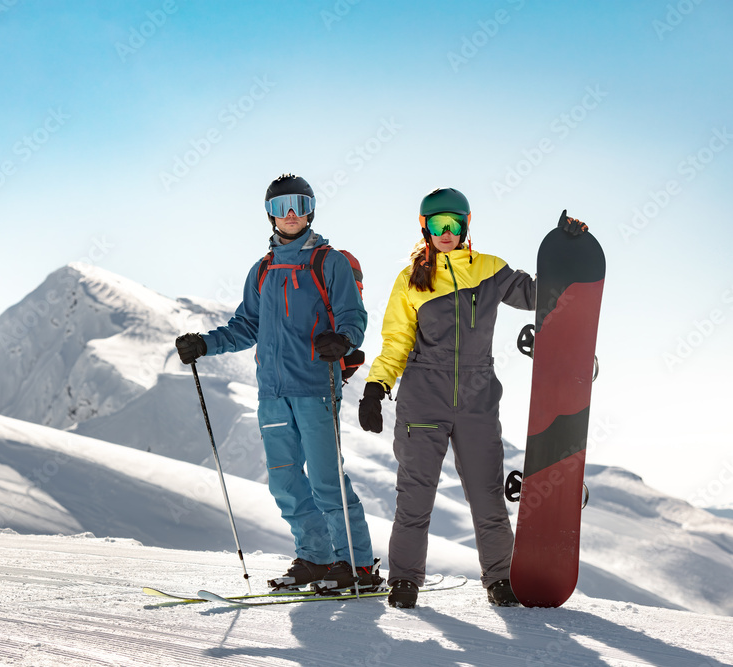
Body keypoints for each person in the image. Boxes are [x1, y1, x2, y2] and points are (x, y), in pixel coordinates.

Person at [358, 187, 589, 608]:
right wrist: (376, 387)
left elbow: (540, 297)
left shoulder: (490, 269)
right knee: (415, 495)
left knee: (486, 495)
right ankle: (404, 580)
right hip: (423, 395)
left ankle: (501, 579)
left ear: (466, 226)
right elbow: (396, 341)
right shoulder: (411, 280)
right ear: (424, 229)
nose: (445, 233)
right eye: (436, 225)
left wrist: (569, 252)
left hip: (478, 397)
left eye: (453, 224)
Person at [175, 173, 382, 592]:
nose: (290, 214)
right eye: (281, 205)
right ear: (269, 214)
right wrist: (205, 344)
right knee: (284, 480)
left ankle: (357, 565)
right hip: (271, 393)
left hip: (315, 386)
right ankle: (317, 558)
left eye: (299, 205)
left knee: (326, 479)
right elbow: (245, 325)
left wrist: (342, 339)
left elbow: (352, 316)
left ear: (311, 211)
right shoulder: (263, 270)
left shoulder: (329, 261)